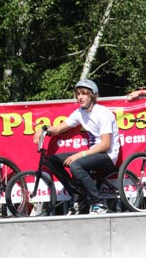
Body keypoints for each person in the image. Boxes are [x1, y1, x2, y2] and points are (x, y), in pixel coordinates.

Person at [33, 79, 120, 215]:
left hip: (107, 155)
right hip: (93, 153)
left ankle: (98, 203)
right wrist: (44, 129)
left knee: (75, 165)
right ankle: (77, 196)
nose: (80, 97)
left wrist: (80, 155)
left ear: (92, 95)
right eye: (78, 94)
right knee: (52, 160)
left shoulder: (103, 113)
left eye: (84, 94)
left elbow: (105, 144)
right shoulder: (80, 113)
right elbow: (60, 128)